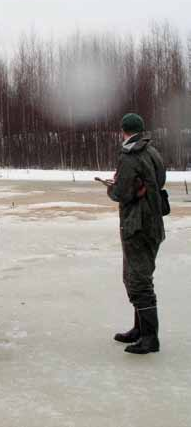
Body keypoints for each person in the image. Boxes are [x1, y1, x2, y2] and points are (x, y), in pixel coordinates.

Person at [107, 113, 166, 354]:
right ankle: (139, 329)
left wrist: (112, 187)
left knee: (138, 281)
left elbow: (122, 193)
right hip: (152, 223)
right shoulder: (152, 151)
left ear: (124, 131)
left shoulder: (131, 155)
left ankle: (150, 338)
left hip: (137, 226)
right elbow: (159, 180)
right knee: (137, 277)